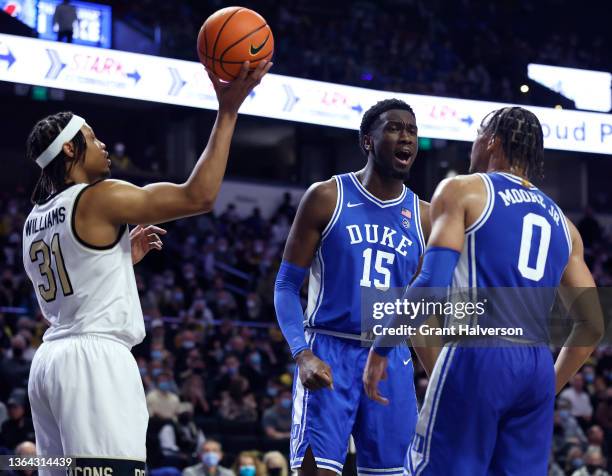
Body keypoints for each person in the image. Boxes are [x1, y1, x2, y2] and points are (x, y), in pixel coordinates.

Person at [23, 60, 272, 474]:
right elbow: (198, 197)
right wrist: (228, 111)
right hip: (95, 362)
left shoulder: (36, 216)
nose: (103, 145)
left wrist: (118, 258)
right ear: (69, 149)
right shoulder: (98, 196)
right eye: (91, 136)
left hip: (50, 363)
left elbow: (72, 281)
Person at [364, 106, 604, 475]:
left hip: (478, 352)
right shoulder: (565, 224)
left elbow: (429, 283)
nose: (473, 144)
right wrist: (547, 386)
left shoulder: (464, 189)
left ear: (491, 141)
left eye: (477, 134)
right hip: (537, 364)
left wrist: (381, 349)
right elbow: (591, 326)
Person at [274, 99, 434, 475]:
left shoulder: (426, 217)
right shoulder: (327, 196)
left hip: (391, 360)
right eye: (394, 128)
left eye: (411, 130)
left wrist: (442, 379)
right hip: (329, 349)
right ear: (367, 140)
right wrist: (302, 353)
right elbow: (285, 286)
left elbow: (421, 315)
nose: (406, 137)